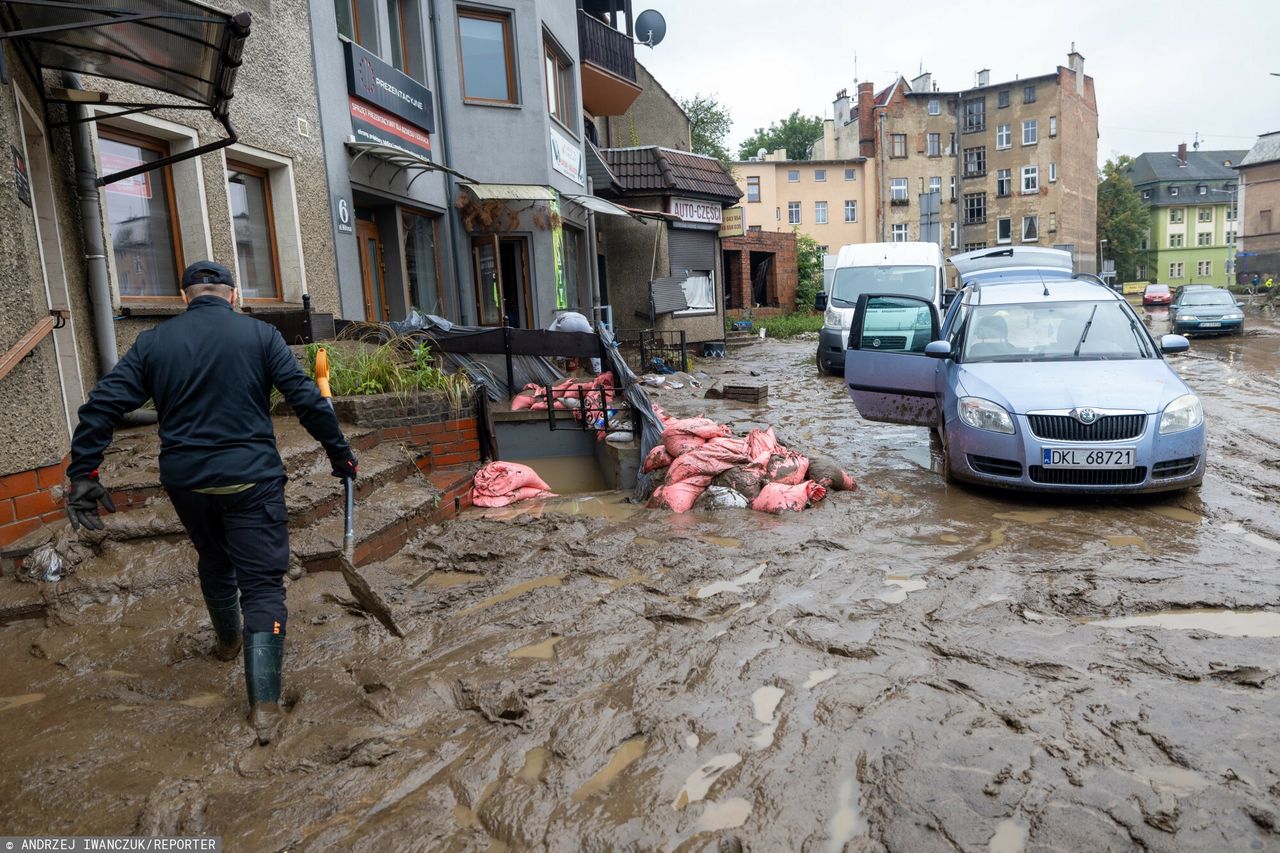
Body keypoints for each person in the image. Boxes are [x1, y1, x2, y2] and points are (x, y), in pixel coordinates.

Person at [63, 261, 357, 745]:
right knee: (262, 586)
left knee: (214, 559)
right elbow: (306, 399)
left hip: (188, 482)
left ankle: (227, 642)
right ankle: (263, 707)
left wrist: (84, 474)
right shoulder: (261, 337)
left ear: (184, 298)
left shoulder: (154, 343)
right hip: (251, 479)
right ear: (233, 294)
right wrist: (340, 456)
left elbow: (100, 406)